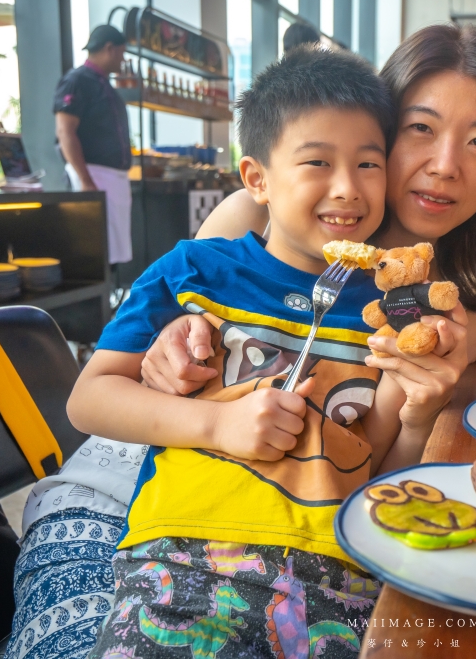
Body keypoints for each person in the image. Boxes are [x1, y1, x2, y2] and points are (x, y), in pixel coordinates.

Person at [6, 24, 476, 658]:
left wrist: (418, 410)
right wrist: (178, 363)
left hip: (313, 544)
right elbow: (141, 358)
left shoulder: (426, 306)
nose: (446, 164)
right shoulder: (239, 231)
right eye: (421, 128)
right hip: (148, 494)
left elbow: (377, 459)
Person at [66, 46, 432, 659]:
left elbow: (376, 461)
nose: (348, 188)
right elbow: (90, 398)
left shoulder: (394, 306)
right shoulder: (196, 271)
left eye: (369, 164)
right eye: (318, 161)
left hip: (338, 571)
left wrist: (417, 399)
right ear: (257, 178)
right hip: (183, 556)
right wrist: (216, 422)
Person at [54, 24, 133, 265]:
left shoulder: (102, 83)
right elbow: (65, 132)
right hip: (93, 175)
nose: (122, 60)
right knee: (96, 249)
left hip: (113, 177)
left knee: (114, 251)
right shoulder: (77, 80)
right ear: (110, 49)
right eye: (121, 53)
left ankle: (112, 299)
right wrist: (86, 180)